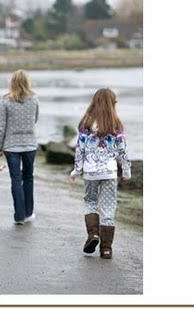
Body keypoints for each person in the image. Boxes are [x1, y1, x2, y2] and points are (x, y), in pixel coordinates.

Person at [70, 88, 131, 258]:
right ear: (112, 104)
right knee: (108, 208)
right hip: (109, 173)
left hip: (91, 174)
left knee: (90, 202)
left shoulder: (85, 123)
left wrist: (77, 170)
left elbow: (79, 149)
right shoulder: (116, 124)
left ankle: (93, 234)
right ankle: (106, 249)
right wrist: (126, 170)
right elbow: (122, 150)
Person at [0, 70, 39, 225]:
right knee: (28, 178)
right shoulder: (34, 99)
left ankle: (19, 216)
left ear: (12, 82)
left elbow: (1, 127)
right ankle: (28, 213)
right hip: (30, 144)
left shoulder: (5, 100)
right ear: (27, 82)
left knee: (16, 179)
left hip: (11, 146)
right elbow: (35, 119)